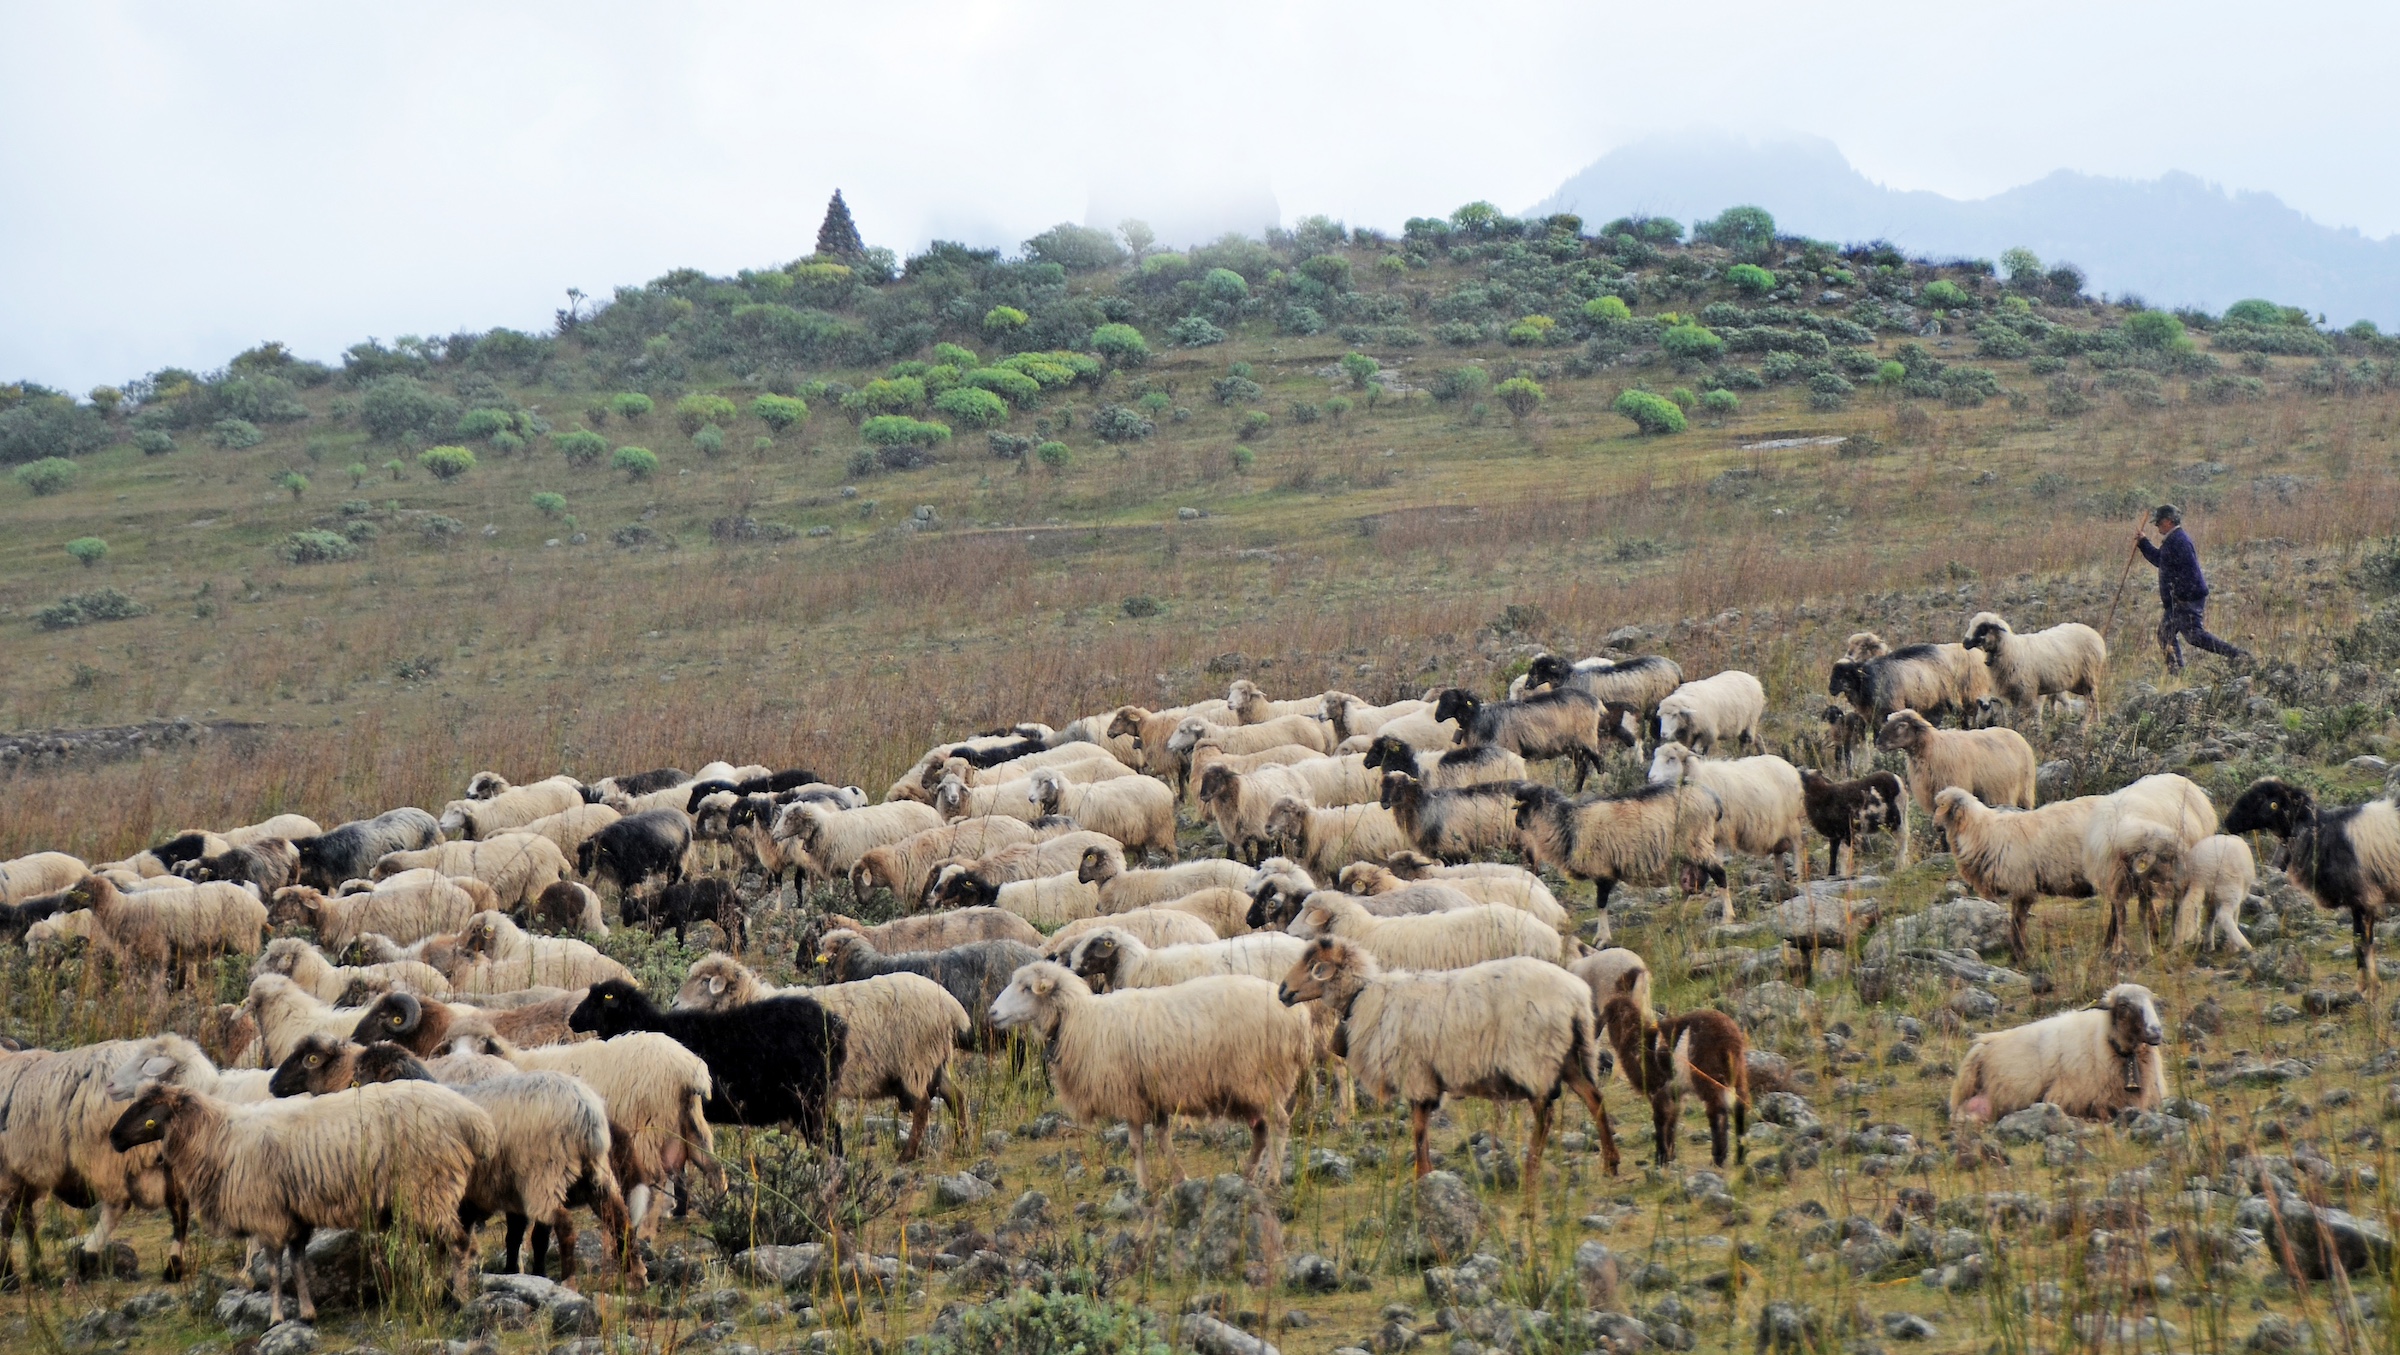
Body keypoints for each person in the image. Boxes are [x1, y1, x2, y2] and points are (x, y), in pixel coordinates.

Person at [2136, 504, 2245, 673]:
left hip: (2186, 599)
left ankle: (2238, 656)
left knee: (2195, 636)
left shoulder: (2179, 541)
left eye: (2158, 522)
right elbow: (2160, 560)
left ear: (2168, 521)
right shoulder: (2173, 540)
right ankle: (2176, 673)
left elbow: (2190, 573)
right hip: (2179, 600)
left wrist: (2182, 598)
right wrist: (2143, 543)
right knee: (2165, 634)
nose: (2156, 526)